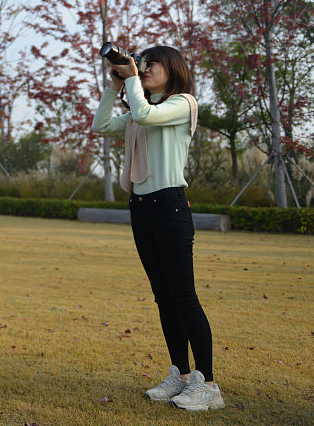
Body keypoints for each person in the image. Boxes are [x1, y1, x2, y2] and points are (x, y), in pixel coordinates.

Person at [91, 45, 224, 412]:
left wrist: (132, 80)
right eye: (142, 64)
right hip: (141, 207)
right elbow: (101, 125)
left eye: (152, 64)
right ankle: (180, 375)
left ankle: (208, 384)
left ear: (174, 69)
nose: (145, 69)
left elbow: (148, 116)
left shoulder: (182, 104)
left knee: (184, 297)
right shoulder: (139, 110)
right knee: (164, 297)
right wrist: (114, 84)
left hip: (169, 206)